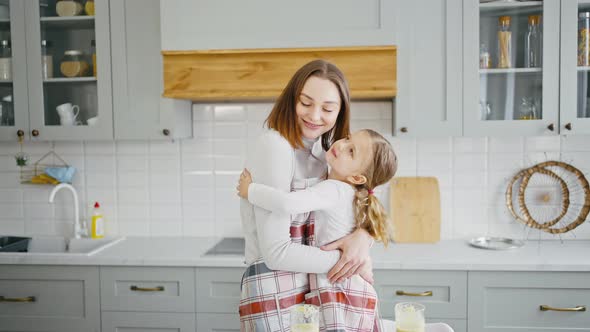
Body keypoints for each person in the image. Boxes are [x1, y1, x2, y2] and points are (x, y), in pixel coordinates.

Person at [238, 60, 375, 331]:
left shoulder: (326, 153)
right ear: (291, 100)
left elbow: (364, 196)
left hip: (312, 288)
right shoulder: (275, 147)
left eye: (327, 108)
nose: (314, 116)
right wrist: (351, 263)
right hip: (275, 291)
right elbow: (276, 254)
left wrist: (364, 237)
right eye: (305, 102)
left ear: (340, 112)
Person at [238, 129, 398, 331]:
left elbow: (287, 203)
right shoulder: (351, 192)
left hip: (336, 284)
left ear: (357, 178)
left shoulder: (335, 189)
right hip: (345, 283)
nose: (340, 145)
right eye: (347, 138)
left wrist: (250, 190)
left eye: (351, 151)